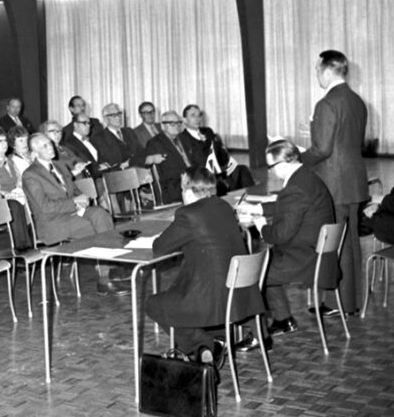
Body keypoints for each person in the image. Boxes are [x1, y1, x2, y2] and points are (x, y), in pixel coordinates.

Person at [144, 167, 262, 363]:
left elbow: (159, 248)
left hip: (212, 298)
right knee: (176, 298)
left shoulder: (188, 214)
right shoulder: (223, 206)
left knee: (154, 304)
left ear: (189, 192)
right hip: (239, 293)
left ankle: (205, 344)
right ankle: (213, 342)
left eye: (182, 189)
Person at [236, 140, 335, 351]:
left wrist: (261, 225)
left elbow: (278, 236)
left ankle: (259, 337)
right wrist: (260, 209)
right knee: (266, 263)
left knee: (251, 275)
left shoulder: (296, 187)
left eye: (271, 166)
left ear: (285, 162)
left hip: (303, 257)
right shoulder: (305, 177)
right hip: (313, 250)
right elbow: (289, 205)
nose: (270, 172)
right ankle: (283, 321)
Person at [301, 50, 369, 316]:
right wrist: (316, 131)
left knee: (333, 243)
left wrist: (297, 159)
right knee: (350, 243)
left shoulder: (326, 103)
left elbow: (322, 151)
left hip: (334, 183)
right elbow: (345, 140)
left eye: (317, 70)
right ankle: (347, 302)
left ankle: (335, 303)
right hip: (352, 180)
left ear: (328, 70)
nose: (317, 75)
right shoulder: (356, 101)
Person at [21, 133, 125, 295]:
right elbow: (44, 207)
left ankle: (111, 265)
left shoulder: (59, 166)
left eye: (50, 143)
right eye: (45, 146)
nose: (51, 148)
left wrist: (80, 198)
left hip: (72, 214)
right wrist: (74, 203)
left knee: (101, 214)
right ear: (34, 154)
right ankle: (105, 277)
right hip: (53, 223)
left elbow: (73, 191)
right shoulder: (30, 175)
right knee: (96, 228)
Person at [180, 104, 255, 194]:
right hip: (203, 174)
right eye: (193, 115)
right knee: (225, 182)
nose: (197, 119)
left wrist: (226, 162)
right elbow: (191, 161)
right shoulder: (182, 138)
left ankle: (254, 197)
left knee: (243, 170)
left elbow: (220, 153)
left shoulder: (208, 131)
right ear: (184, 120)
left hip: (219, 169)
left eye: (199, 115)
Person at [143, 111, 189, 204]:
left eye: (178, 123)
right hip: (172, 189)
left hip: (188, 183)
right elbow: (165, 173)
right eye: (172, 123)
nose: (176, 126)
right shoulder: (155, 143)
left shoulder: (182, 140)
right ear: (163, 126)